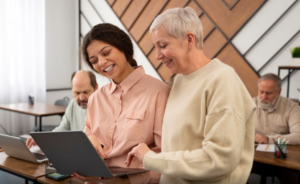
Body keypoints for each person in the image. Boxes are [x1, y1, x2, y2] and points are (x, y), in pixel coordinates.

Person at [125, 7, 256, 184]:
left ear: (189, 40)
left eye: (163, 46)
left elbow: (219, 159)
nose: (157, 56)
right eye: (155, 47)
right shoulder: (178, 80)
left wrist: (150, 159)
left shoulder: (222, 80)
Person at [74, 23, 170, 184]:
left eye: (106, 52)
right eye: (94, 60)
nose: (102, 62)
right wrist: (88, 143)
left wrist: (121, 182)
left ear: (123, 47)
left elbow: (165, 160)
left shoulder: (159, 92)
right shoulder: (96, 99)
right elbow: (88, 142)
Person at [26, 70, 98, 148]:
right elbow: (62, 129)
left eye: (86, 92)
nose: (81, 98)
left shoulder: (103, 106)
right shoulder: (73, 104)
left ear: (96, 88)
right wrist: (42, 140)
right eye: (77, 93)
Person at [253, 73, 300, 144]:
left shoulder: (291, 107)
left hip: (281, 151)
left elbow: (298, 136)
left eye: (268, 93)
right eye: (261, 92)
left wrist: (268, 139)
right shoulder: (249, 104)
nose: (264, 97)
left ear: (279, 92)